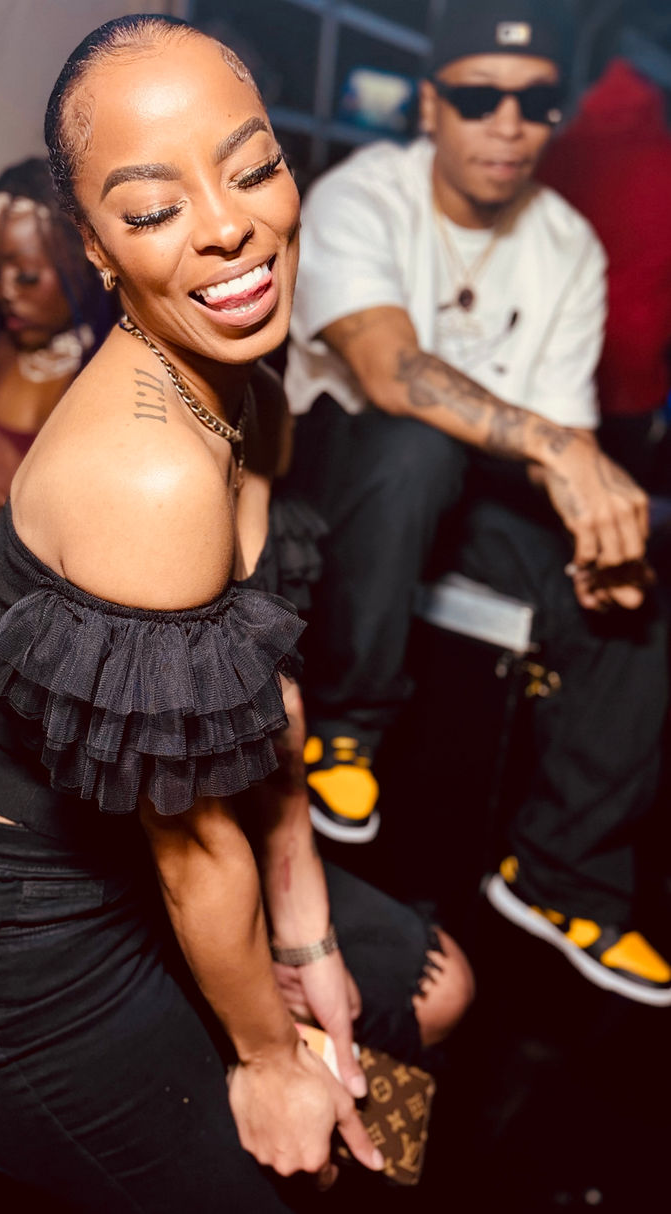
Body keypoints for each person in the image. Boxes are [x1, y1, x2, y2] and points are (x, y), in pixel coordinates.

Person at [0, 15, 473, 1213]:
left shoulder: (250, 388)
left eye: (252, 166)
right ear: (97, 246)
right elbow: (187, 844)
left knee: (436, 990)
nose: (229, 225)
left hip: (182, 848)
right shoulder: (149, 470)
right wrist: (268, 1057)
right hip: (33, 939)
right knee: (310, 1152)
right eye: (151, 207)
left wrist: (308, 929)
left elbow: (261, 699)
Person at [284, 0, 671, 1005]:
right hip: (335, 482)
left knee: (639, 575)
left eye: (535, 102)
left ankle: (563, 875)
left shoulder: (568, 244)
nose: (508, 125)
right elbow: (389, 368)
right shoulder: (360, 196)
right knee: (413, 444)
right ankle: (344, 727)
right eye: (477, 97)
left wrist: (597, 529)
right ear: (430, 105)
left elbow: (561, 442)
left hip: (467, 497)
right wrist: (559, 448)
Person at [0, 158, 114, 763]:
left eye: (28, 274)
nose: (5, 290)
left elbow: (80, 548)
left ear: (87, 263)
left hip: (35, 621)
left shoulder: (107, 381)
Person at [539, 57, 671, 488]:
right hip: (632, 379)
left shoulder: (551, 157)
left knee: (528, 504)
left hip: (545, 371)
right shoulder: (665, 163)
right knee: (616, 503)